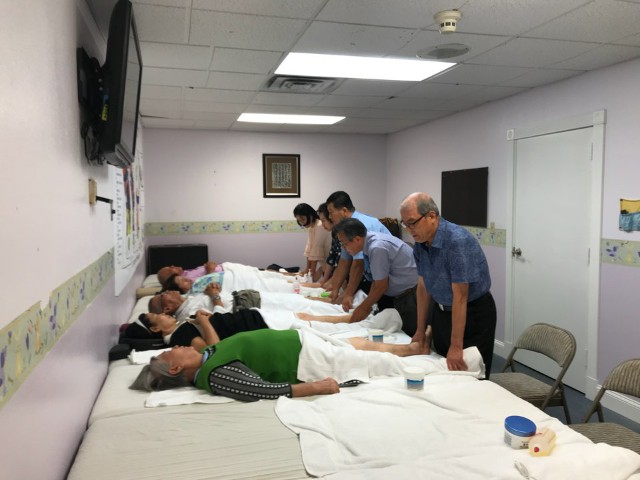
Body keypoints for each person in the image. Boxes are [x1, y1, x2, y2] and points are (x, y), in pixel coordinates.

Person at [130, 328, 429, 401]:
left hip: (302, 345)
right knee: (377, 364)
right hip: (304, 362)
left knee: (364, 352)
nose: (176, 346)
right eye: (171, 353)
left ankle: (417, 353)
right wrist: (315, 387)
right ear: (175, 369)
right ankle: (438, 370)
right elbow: (261, 390)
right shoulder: (214, 375)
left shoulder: (207, 356)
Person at [399, 192, 497, 377]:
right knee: (443, 369)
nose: (409, 229)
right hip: (442, 312)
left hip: (473, 314)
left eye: (412, 222)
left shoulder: (456, 241)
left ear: (431, 216)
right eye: (405, 224)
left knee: (471, 373)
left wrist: (456, 345)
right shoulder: (421, 243)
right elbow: (423, 287)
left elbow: (460, 296)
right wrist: (420, 330)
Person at [333, 218, 419, 335]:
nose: (344, 248)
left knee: (409, 334)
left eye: (344, 244)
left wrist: (363, 308)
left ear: (357, 239)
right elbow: (376, 280)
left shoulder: (377, 247)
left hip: (412, 296)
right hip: (402, 296)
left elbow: (381, 285)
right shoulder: (369, 243)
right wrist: (367, 305)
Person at [325, 191, 390, 311]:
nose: (329, 217)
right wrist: (335, 289)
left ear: (344, 211)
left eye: (331, 212)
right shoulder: (345, 229)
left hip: (386, 280)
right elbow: (344, 262)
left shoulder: (362, 224)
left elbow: (358, 264)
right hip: (373, 277)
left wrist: (348, 294)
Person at [293, 203, 332, 282]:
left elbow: (316, 251)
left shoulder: (320, 226)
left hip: (331, 267)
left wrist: (311, 273)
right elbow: (310, 250)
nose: (301, 223)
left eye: (303, 219)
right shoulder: (311, 227)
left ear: (310, 215)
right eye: (299, 220)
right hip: (326, 266)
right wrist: (307, 269)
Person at [157, 260, 222, 286]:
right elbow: (205, 285)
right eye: (170, 269)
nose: (172, 266)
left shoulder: (185, 272)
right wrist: (210, 270)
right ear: (171, 279)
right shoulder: (187, 280)